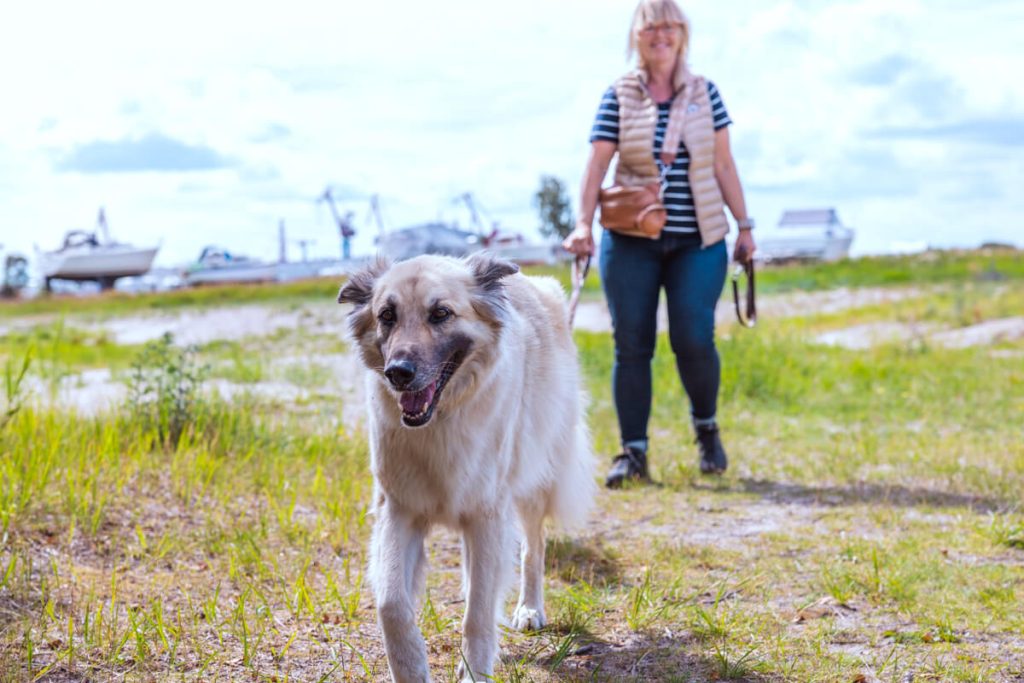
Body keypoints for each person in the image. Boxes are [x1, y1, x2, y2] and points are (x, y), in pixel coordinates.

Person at [563, 0, 756, 488]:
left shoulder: (705, 93)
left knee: (693, 337)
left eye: (669, 26)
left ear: (682, 34)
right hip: (630, 239)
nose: (660, 35)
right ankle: (634, 453)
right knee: (632, 345)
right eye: (651, 27)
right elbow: (596, 165)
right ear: (637, 36)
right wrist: (583, 224)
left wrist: (746, 226)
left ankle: (707, 429)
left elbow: (724, 165)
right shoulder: (619, 95)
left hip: (700, 239)